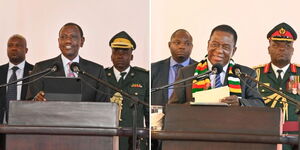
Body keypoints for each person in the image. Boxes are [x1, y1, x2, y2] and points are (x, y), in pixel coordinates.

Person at [169, 24, 264, 106]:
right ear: (208, 45)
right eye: (214, 45)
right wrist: (193, 104)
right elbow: (173, 107)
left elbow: (259, 104)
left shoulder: (246, 74)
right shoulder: (187, 73)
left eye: (225, 47)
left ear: (233, 50)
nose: (219, 51)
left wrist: (240, 102)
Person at [26, 22, 110, 102]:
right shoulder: (41, 68)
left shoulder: (96, 71)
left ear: (82, 41)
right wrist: (35, 101)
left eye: (73, 37)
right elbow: (28, 104)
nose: (68, 41)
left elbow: (104, 106)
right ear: (58, 41)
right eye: (63, 37)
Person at [253, 22, 299, 150]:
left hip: (296, 140)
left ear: (292, 50)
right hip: (264, 137)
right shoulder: (254, 75)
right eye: (276, 45)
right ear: (268, 49)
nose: (282, 48)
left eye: (287, 45)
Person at [105, 31, 149, 150]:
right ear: (111, 56)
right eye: (116, 52)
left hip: (134, 142)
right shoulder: (102, 77)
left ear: (132, 56)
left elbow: (148, 113)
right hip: (108, 139)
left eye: (125, 52)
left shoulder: (144, 77)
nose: (120, 55)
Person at [151, 29, 197, 106]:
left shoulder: (200, 69)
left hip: (189, 116)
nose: (182, 46)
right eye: (177, 43)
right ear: (169, 45)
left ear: (191, 47)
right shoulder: (154, 68)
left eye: (187, 43)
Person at [0, 34, 34, 124]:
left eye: (18, 45)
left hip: (25, 124)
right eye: (10, 46)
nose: (13, 48)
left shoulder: (35, 72)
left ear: (26, 50)